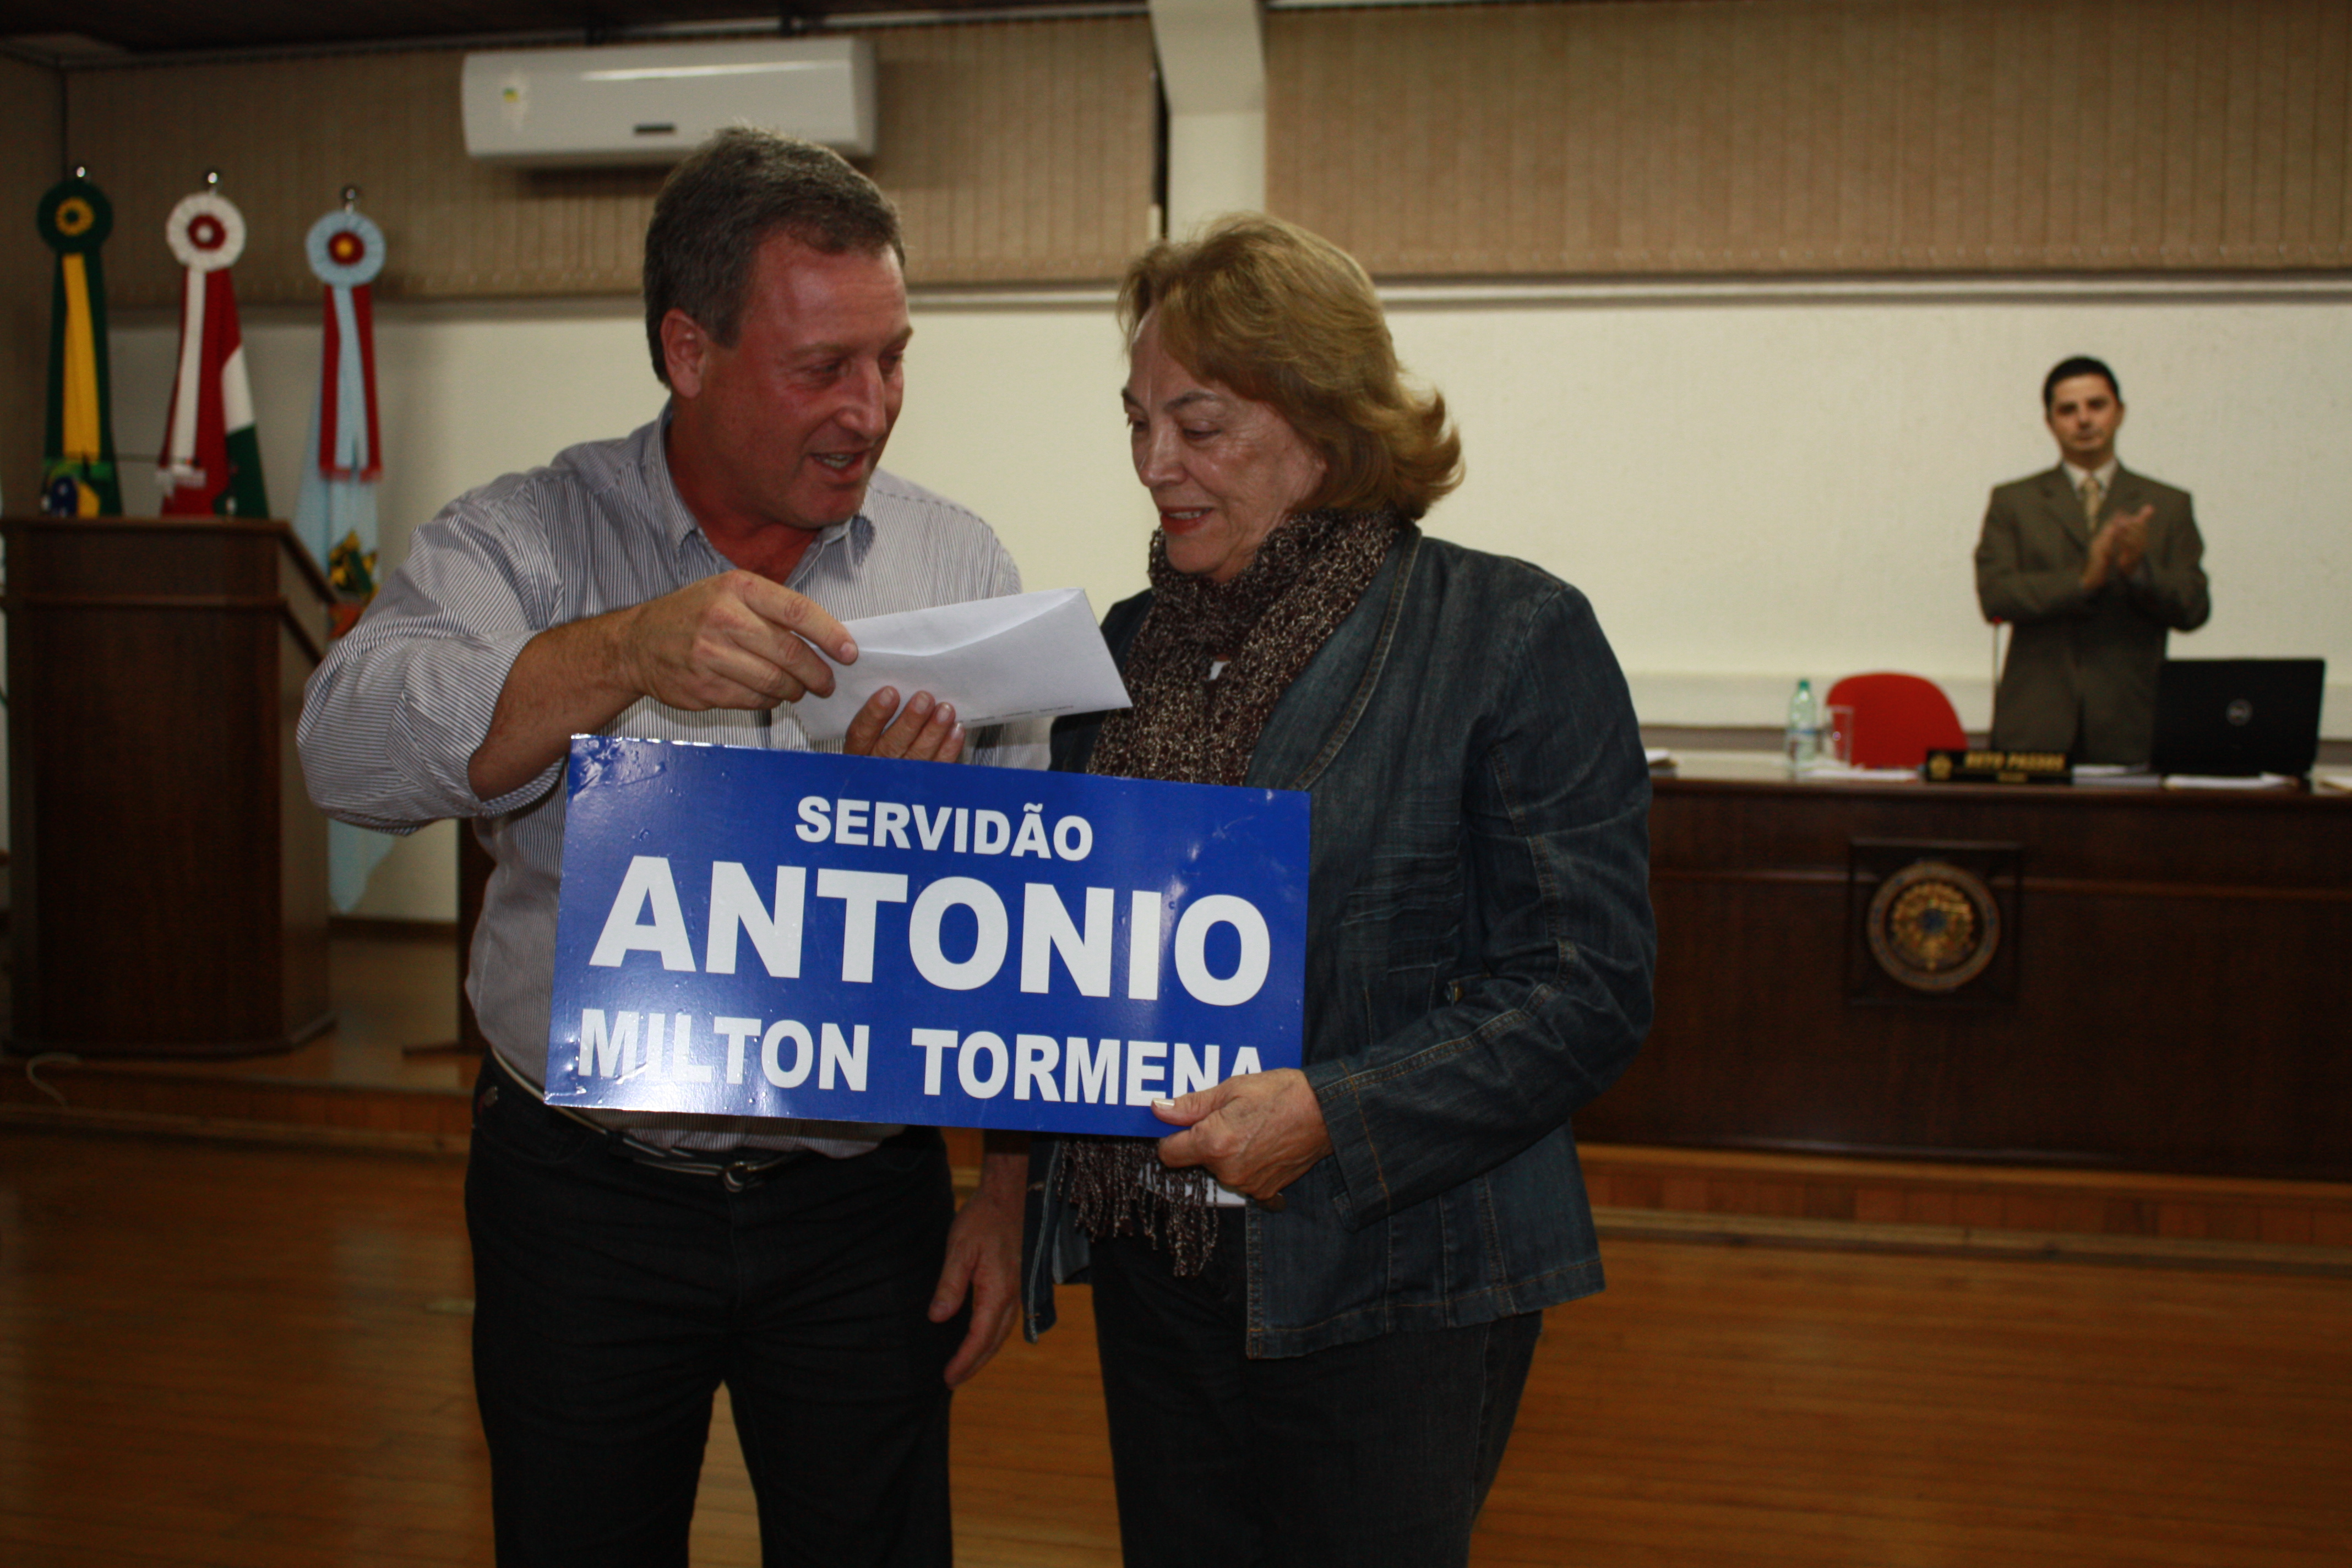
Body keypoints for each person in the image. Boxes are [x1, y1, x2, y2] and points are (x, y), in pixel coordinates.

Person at [298, 129, 1043, 1567]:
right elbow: (345, 748)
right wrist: (619, 652)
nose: (872, 409)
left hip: (859, 1200)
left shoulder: (955, 566)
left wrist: (1005, 1191)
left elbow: (1020, 923)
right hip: (583, 1194)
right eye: (823, 367)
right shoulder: (522, 541)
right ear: (687, 350)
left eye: (894, 359)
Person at [1019, 215, 1656, 1568]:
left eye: (1198, 425)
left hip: (1394, 1274)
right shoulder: (1121, 651)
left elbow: (1586, 987)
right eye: (1136, 422)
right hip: (1158, 1275)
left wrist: (1331, 1111)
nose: (1153, 465)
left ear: (1325, 420)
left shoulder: (1510, 635)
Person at [1975, 355, 2211, 764]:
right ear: (2049, 422)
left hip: (2131, 722)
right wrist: (2083, 580)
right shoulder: (2014, 502)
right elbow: (1996, 595)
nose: (2083, 420)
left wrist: (2139, 570)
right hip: (2035, 722)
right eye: (2068, 410)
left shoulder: (2167, 506)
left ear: (2119, 412)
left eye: (2096, 405)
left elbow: (2193, 608)